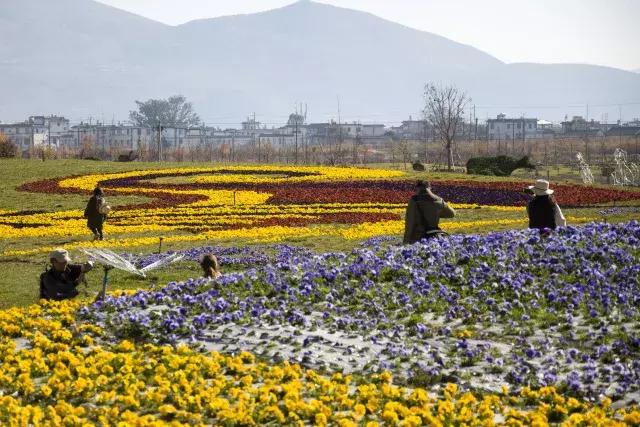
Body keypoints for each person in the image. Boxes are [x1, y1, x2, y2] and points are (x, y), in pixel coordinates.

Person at [403, 180, 456, 244]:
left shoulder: (414, 201)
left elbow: (410, 222)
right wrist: (437, 213)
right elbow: (452, 214)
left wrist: (405, 241)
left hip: (418, 238)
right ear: (430, 187)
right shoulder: (438, 200)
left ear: (418, 188)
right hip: (434, 236)